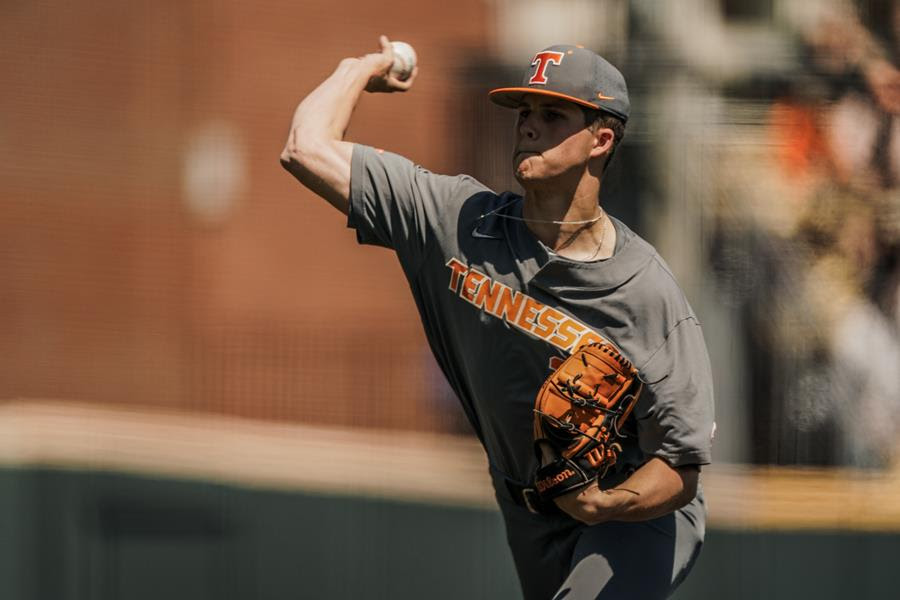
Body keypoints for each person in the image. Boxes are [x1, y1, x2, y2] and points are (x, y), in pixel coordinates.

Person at [280, 35, 715, 600]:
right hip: (526, 507)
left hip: (630, 513)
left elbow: (680, 467)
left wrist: (605, 503)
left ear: (601, 140)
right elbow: (304, 148)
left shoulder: (644, 294)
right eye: (524, 112)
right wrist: (358, 67)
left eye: (552, 114)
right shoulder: (457, 223)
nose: (528, 126)